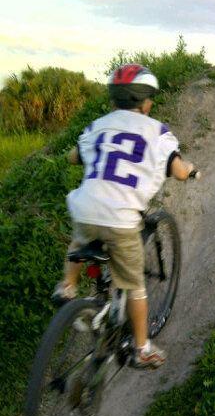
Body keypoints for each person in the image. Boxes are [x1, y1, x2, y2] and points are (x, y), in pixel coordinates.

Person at [52, 63, 194, 369]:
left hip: (85, 209)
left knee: (80, 239)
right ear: (146, 102)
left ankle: (67, 287)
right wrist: (192, 170)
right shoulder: (158, 133)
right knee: (134, 285)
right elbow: (180, 171)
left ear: (113, 98)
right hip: (121, 220)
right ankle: (141, 347)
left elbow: (73, 156)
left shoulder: (97, 125)